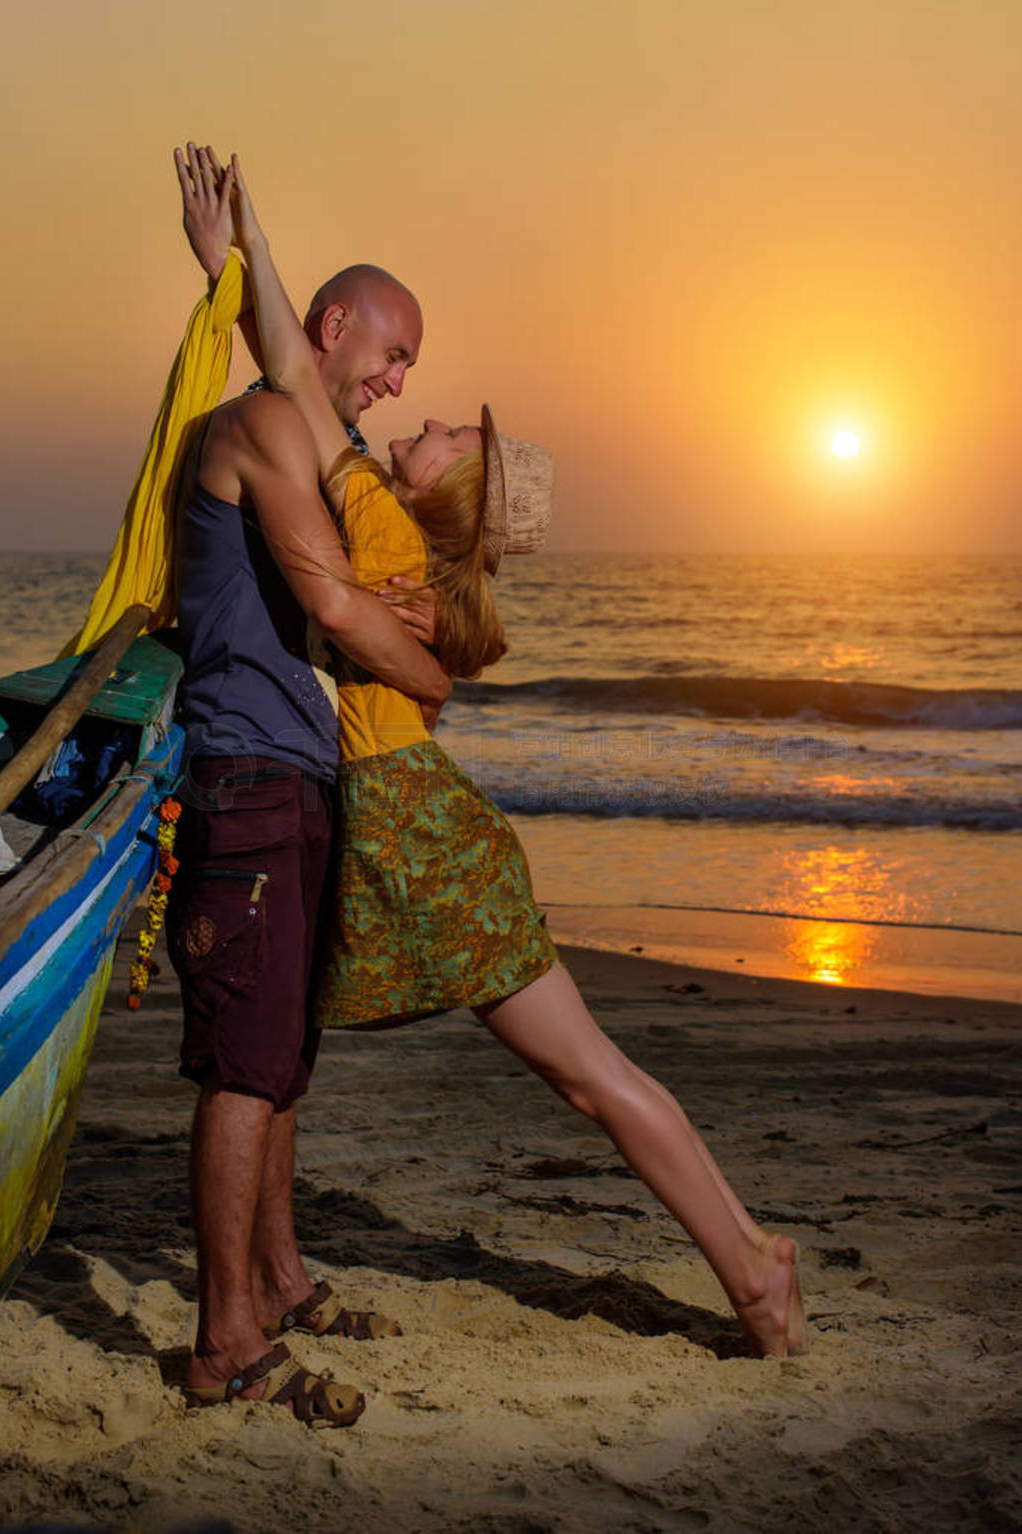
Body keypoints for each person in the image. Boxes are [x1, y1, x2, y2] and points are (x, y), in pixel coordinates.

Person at [178, 145, 808, 1382]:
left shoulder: (368, 509)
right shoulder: (371, 506)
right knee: (582, 1074)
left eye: (458, 431)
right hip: (397, 819)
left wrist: (244, 257)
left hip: (421, 831)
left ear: (452, 489)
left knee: (587, 1074)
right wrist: (238, 252)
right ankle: (747, 1263)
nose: (433, 413)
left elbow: (302, 363)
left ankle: (752, 1268)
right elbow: (303, 358)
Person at [164, 148, 456, 1428]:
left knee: (283, 1060)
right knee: (243, 1065)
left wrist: (244, 248)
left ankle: (276, 1281)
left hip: (297, 773)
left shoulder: (307, 420)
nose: (397, 388)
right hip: (247, 775)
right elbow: (331, 602)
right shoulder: (266, 425)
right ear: (339, 333)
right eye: (389, 359)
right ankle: (224, 1336)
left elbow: (282, 332)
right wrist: (433, 676)